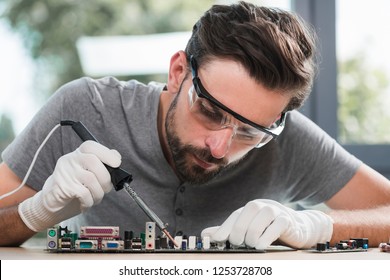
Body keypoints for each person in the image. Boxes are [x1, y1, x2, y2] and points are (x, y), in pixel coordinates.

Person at [1, 1, 390, 249]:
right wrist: (36, 213)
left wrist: (316, 226)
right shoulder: (87, 106)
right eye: (210, 111)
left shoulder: (286, 142)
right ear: (178, 72)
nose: (219, 148)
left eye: (249, 131)